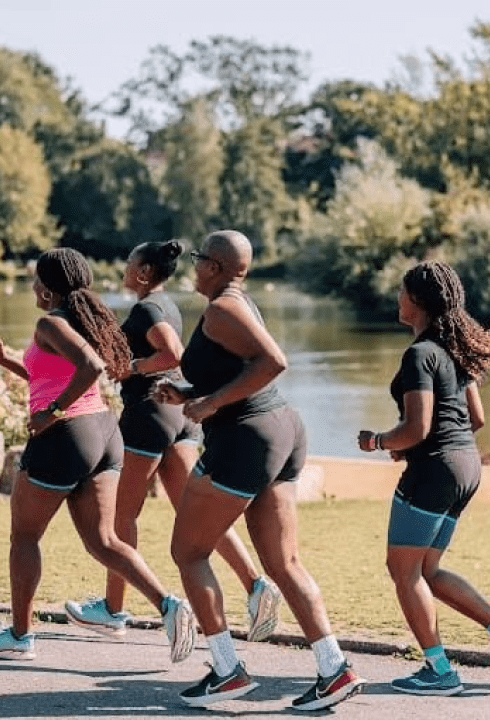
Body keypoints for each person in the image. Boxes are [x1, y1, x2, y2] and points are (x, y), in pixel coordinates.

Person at [157, 230, 363, 710]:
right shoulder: (239, 303)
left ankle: (227, 671)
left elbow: (274, 362)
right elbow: (242, 369)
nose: (192, 266)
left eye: (198, 258)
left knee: (188, 551)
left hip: (246, 439)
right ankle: (334, 668)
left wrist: (211, 403)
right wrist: (189, 394)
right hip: (280, 430)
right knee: (283, 563)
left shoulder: (222, 309)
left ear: (215, 266)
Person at [0, 247, 195, 663]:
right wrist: (4, 359)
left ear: (48, 287)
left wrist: (52, 413)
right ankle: (170, 606)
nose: (33, 286)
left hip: (65, 435)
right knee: (104, 541)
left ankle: (20, 636)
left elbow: (90, 366)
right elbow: (50, 374)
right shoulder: (82, 321)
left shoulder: (51, 322)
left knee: (25, 537)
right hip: (102, 433)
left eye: (37, 280)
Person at [65, 240, 282, 642]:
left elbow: (173, 354)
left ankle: (113, 610)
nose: (125, 269)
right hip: (175, 416)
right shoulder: (165, 304)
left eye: (129, 262)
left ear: (144, 272)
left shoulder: (147, 308)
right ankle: (256, 585)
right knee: (192, 510)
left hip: (148, 414)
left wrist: (132, 367)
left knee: (121, 517)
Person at [358, 260, 490, 696]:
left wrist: (379, 441)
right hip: (466, 466)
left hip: (435, 471)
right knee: (426, 570)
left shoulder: (420, 354)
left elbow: (417, 427)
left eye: (402, 292)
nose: (397, 299)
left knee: (403, 572)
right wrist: (412, 444)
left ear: (417, 300)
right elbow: (476, 418)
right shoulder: (454, 349)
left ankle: (439, 670)